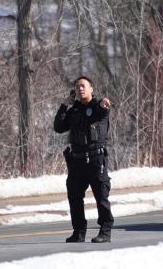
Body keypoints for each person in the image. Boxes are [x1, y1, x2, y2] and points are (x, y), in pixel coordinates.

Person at [53, 75, 114, 243]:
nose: (80, 89)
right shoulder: (74, 110)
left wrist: (104, 105)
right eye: (77, 86)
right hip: (77, 161)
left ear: (91, 89)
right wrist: (64, 105)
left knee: (101, 196)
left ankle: (105, 231)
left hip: (95, 159)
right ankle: (79, 232)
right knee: (74, 197)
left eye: (83, 86)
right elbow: (58, 127)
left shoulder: (98, 106)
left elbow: (102, 111)